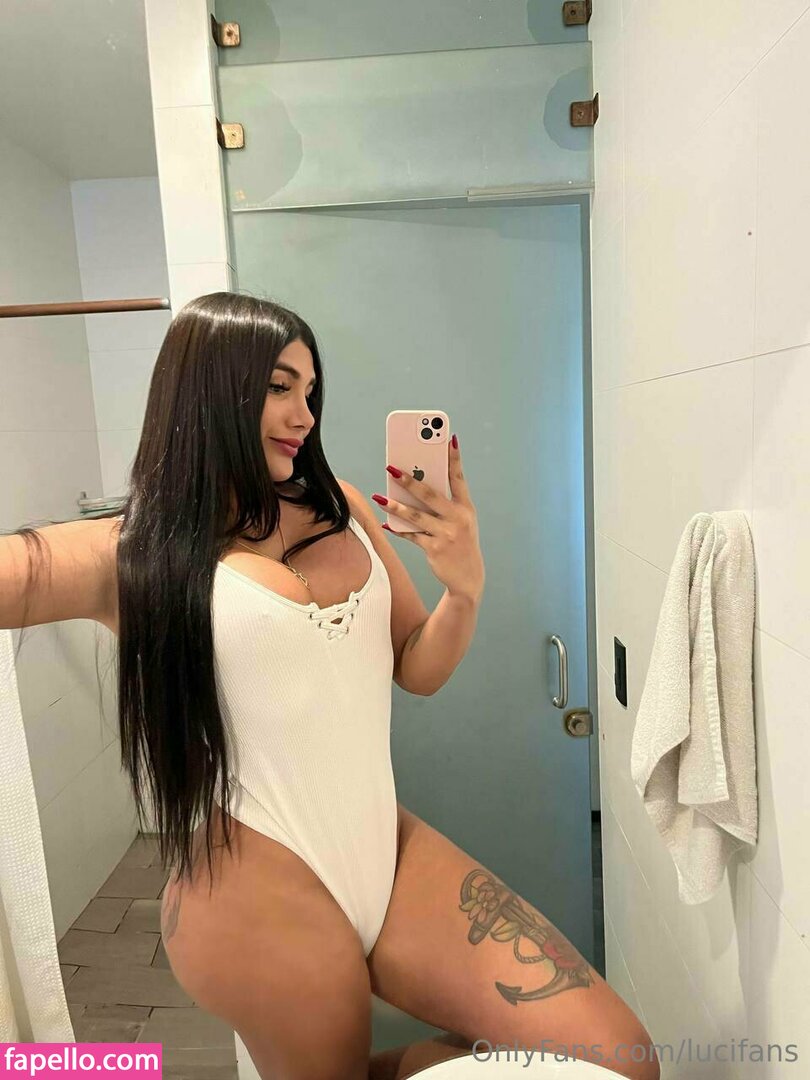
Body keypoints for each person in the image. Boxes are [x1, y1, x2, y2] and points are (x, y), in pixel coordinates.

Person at [1, 293, 659, 1080]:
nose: (304, 415)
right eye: (279, 387)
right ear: (209, 390)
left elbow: (416, 665)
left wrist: (465, 589)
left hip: (388, 854)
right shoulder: (134, 551)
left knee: (619, 1056)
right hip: (251, 890)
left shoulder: (341, 505)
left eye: (310, 391)